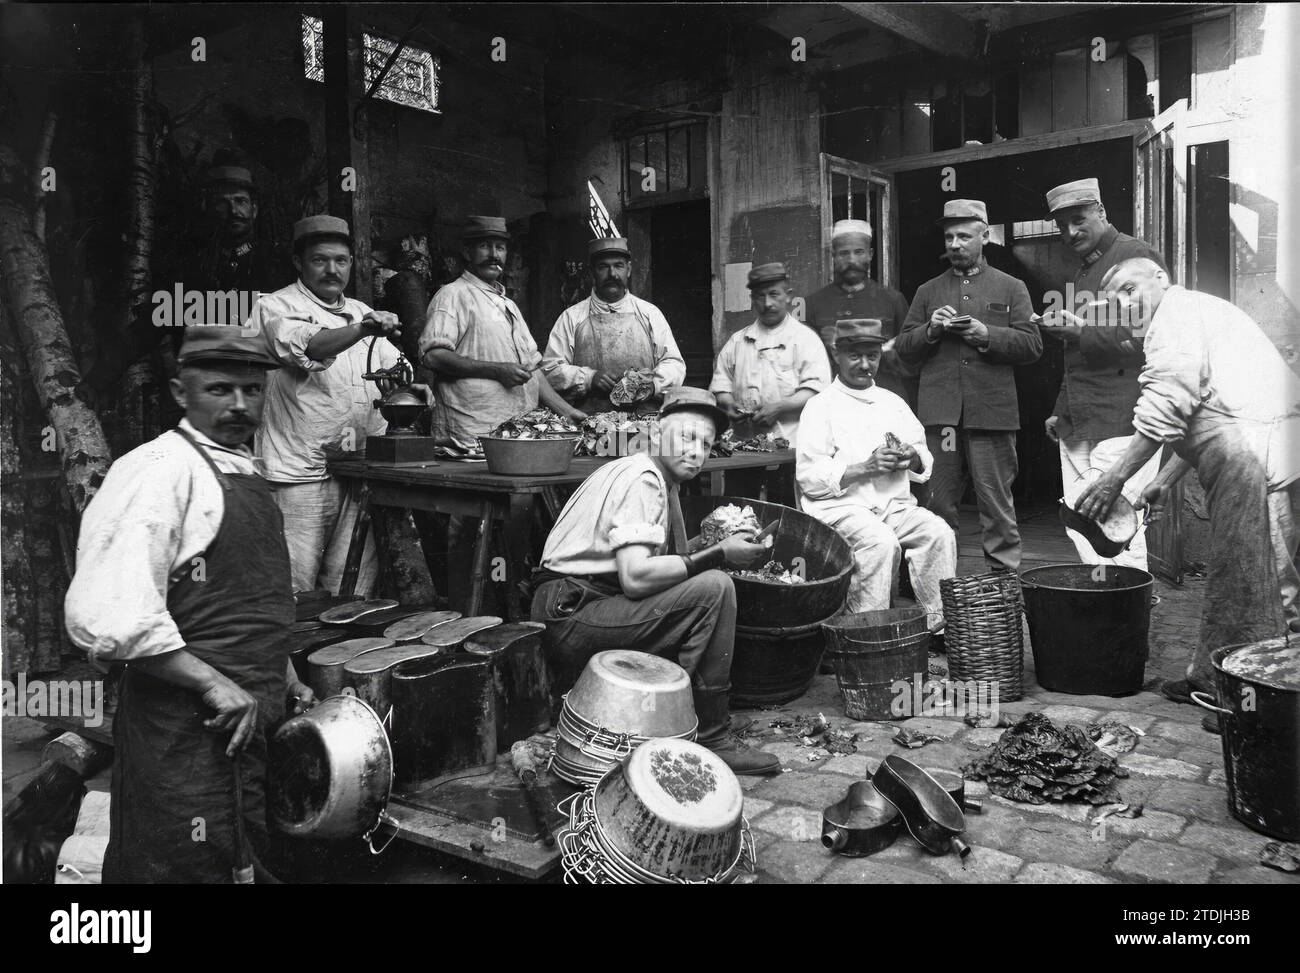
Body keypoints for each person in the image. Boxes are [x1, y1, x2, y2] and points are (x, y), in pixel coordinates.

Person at [65, 326, 314, 883]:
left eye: (252, 390)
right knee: (183, 861)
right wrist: (209, 682)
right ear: (181, 392)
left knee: (241, 855)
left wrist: (287, 673)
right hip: (182, 733)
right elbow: (108, 618)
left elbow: (249, 604)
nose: (240, 405)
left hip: (249, 727)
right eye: (220, 390)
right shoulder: (156, 472)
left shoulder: (246, 473)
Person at [1076, 258, 1300, 730]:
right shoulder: (1188, 314)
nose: (1124, 301)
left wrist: (1114, 478)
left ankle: (1251, 705)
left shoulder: (1174, 317)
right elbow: (1204, 407)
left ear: (1162, 278)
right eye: (1114, 296)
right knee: (1246, 575)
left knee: (1262, 584)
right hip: (1249, 446)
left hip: (1261, 455)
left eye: (1131, 287)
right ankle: (1211, 679)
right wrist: (1162, 481)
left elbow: (1167, 404)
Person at [530, 387, 781, 776]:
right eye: (687, 437)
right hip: (573, 612)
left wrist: (714, 540)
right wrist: (717, 555)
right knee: (716, 587)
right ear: (658, 433)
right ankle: (713, 735)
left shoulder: (654, 474)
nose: (696, 451)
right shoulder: (643, 478)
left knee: (703, 582)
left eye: (706, 444)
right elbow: (635, 578)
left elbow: (650, 562)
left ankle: (692, 715)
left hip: (577, 602)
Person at [246, 215, 405, 596]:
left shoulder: (361, 309)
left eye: (341, 260)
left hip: (357, 467)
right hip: (299, 473)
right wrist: (365, 328)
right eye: (320, 260)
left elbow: (395, 365)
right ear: (299, 263)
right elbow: (311, 346)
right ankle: (292, 658)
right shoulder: (273, 306)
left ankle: (338, 657)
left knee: (352, 589)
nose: (332, 270)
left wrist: (407, 384)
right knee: (293, 589)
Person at [895, 199, 1042, 571]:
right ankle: (943, 586)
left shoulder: (1011, 287)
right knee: (939, 503)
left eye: (964, 235)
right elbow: (905, 349)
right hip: (941, 415)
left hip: (991, 413)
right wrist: (930, 330)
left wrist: (986, 334)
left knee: (996, 504)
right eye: (949, 237)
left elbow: (1032, 345)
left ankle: (1003, 588)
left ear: (985, 236)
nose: (955, 244)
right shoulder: (928, 291)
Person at [797, 320, 956, 636]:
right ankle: (866, 632)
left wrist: (909, 457)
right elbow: (808, 477)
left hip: (893, 507)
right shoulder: (819, 407)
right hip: (842, 510)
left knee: (938, 532)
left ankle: (937, 627)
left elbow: (924, 458)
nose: (865, 364)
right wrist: (864, 468)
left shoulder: (892, 403)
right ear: (837, 355)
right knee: (880, 543)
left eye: (873, 356)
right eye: (855, 356)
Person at [1041, 178, 1167, 569]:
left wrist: (1080, 330)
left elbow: (1151, 336)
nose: (1069, 232)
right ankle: (1109, 606)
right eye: (1061, 226)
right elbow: (1077, 354)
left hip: (1124, 414)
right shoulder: (1082, 271)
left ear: (1102, 212)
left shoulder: (1134, 255)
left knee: (1116, 520)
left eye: (1078, 220)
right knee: (1082, 524)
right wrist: (1061, 408)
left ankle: (1126, 612)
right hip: (1081, 417)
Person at [421, 215, 585, 442]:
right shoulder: (452, 295)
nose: (494, 255)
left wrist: (567, 411)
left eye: (500, 247)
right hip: (470, 434)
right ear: (468, 253)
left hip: (515, 435)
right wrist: (496, 370)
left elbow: (533, 370)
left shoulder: (508, 305)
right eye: (484, 246)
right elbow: (433, 357)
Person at [542, 236, 686, 413]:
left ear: (629, 269)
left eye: (619, 265)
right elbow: (550, 371)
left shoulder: (649, 313)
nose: (612, 274)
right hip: (589, 422)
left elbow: (674, 363)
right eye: (603, 267)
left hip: (644, 422)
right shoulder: (572, 317)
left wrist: (652, 384)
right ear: (592, 272)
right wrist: (588, 378)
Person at [710, 262, 831, 447]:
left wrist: (780, 408)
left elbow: (817, 390)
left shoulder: (806, 339)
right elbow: (721, 384)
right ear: (752, 299)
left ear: (788, 296)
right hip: (743, 446)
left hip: (791, 445)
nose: (767, 303)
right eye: (760, 296)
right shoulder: (738, 341)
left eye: (774, 294)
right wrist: (729, 404)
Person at [805, 219, 915, 404]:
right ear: (833, 255)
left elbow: (910, 358)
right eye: (843, 253)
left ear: (870, 254)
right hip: (835, 403)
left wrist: (889, 353)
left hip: (884, 400)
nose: (851, 260)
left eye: (859, 252)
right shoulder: (813, 304)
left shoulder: (893, 300)